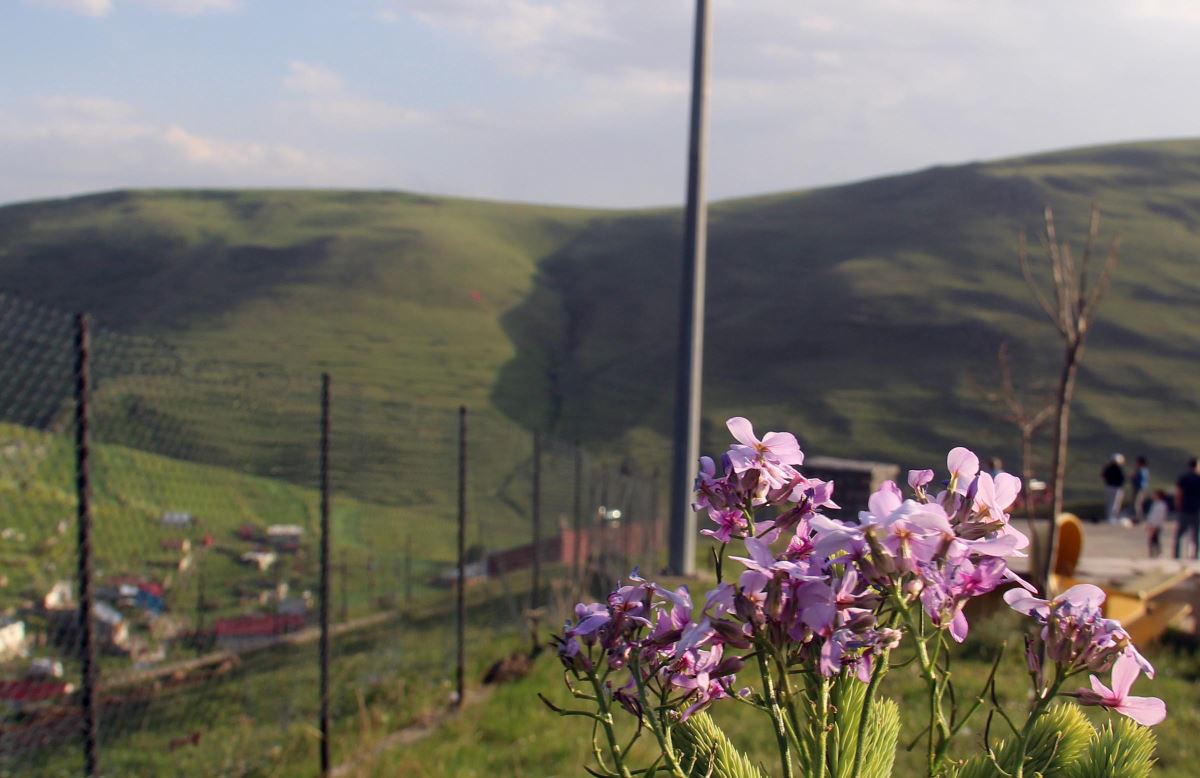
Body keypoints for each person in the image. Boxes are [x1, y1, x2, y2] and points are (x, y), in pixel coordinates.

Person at [1175, 457, 1200, 560]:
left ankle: (1177, 555)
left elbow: (1179, 493)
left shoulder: (1183, 478)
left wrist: (1178, 505)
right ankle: (1196, 556)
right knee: (1196, 535)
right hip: (1197, 509)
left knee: (1179, 534)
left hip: (1185, 509)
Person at [1101, 453, 1126, 524]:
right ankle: (1112, 518)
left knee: (1110, 503)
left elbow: (1103, 476)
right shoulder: (1119, 469)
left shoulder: (1107, 468)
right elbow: (1122, 478)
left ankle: (1110, 517)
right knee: (1115, 503)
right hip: (1116, 488)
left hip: (1108, 486)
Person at [1146, 489, 1169, 558]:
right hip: (1152, 525)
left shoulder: (1161, 505)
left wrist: (1154, 526)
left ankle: (1158, 554)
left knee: (1155, 540)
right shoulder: (1155, 504)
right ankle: (1153, 554)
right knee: (1153, 540)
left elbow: (1159, 517)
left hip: (1156, 525)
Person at [1131, 456, 1150, 523]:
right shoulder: (1145, 470)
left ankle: (1138, 517)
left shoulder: (1141, 470)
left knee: (1137, 503)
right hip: (1142, 488)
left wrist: (1132, 477)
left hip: (1139, 488)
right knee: (1139, 503)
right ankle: (1139, 516)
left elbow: (1137, 479)